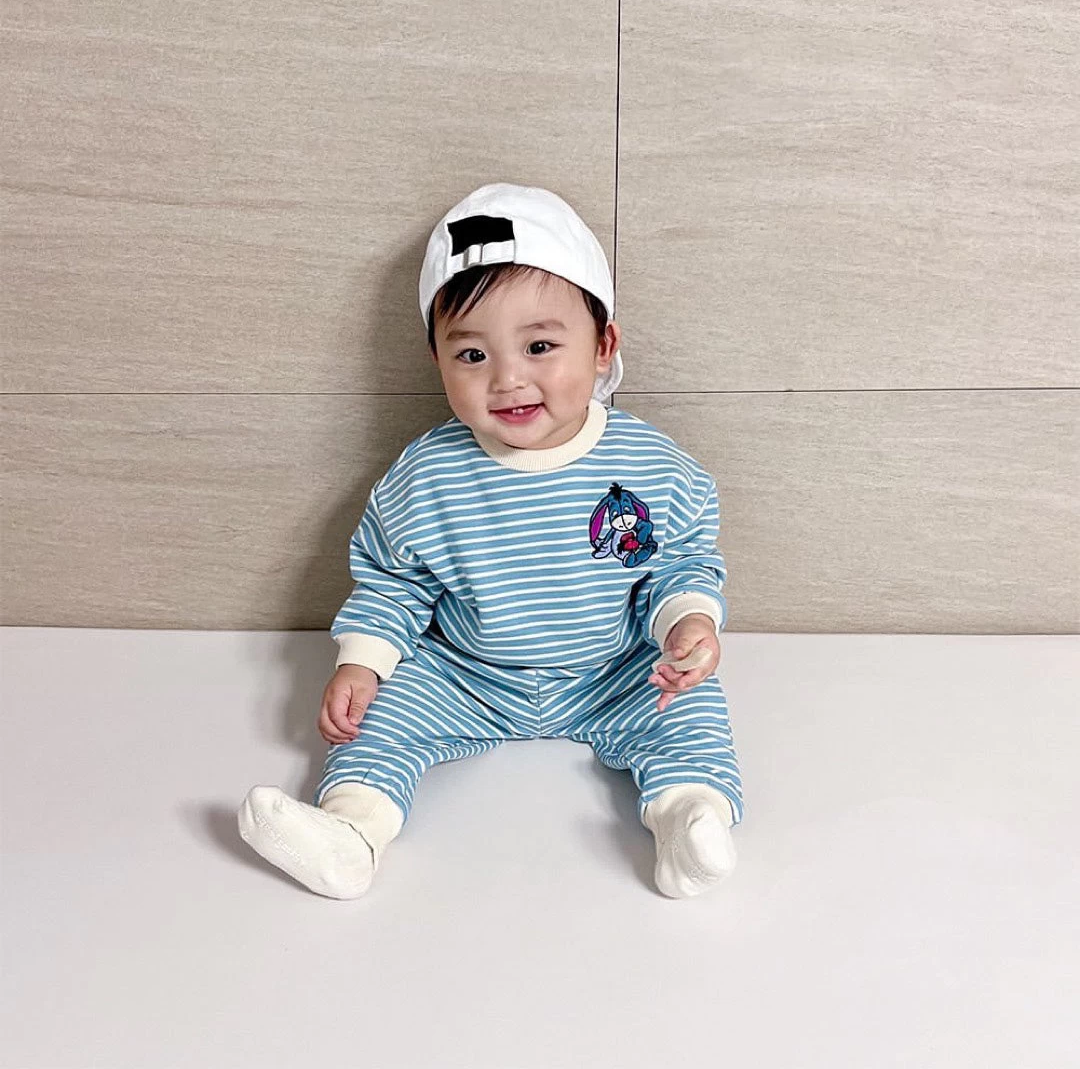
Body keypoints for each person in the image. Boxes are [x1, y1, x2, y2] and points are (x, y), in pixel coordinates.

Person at [238, 183, 743, 900]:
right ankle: (351, 831)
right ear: (437, 360)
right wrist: (363, 663)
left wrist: (688, 622)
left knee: (689, 707)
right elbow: (392, 582)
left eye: (540, 346)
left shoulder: (650, 466)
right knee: (379, 719)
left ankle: (690, 818)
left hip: (612, 670)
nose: (508, 379)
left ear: (603, 346)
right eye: (472, 354)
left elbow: (681, 561)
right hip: (467, 674)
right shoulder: (428, 475)